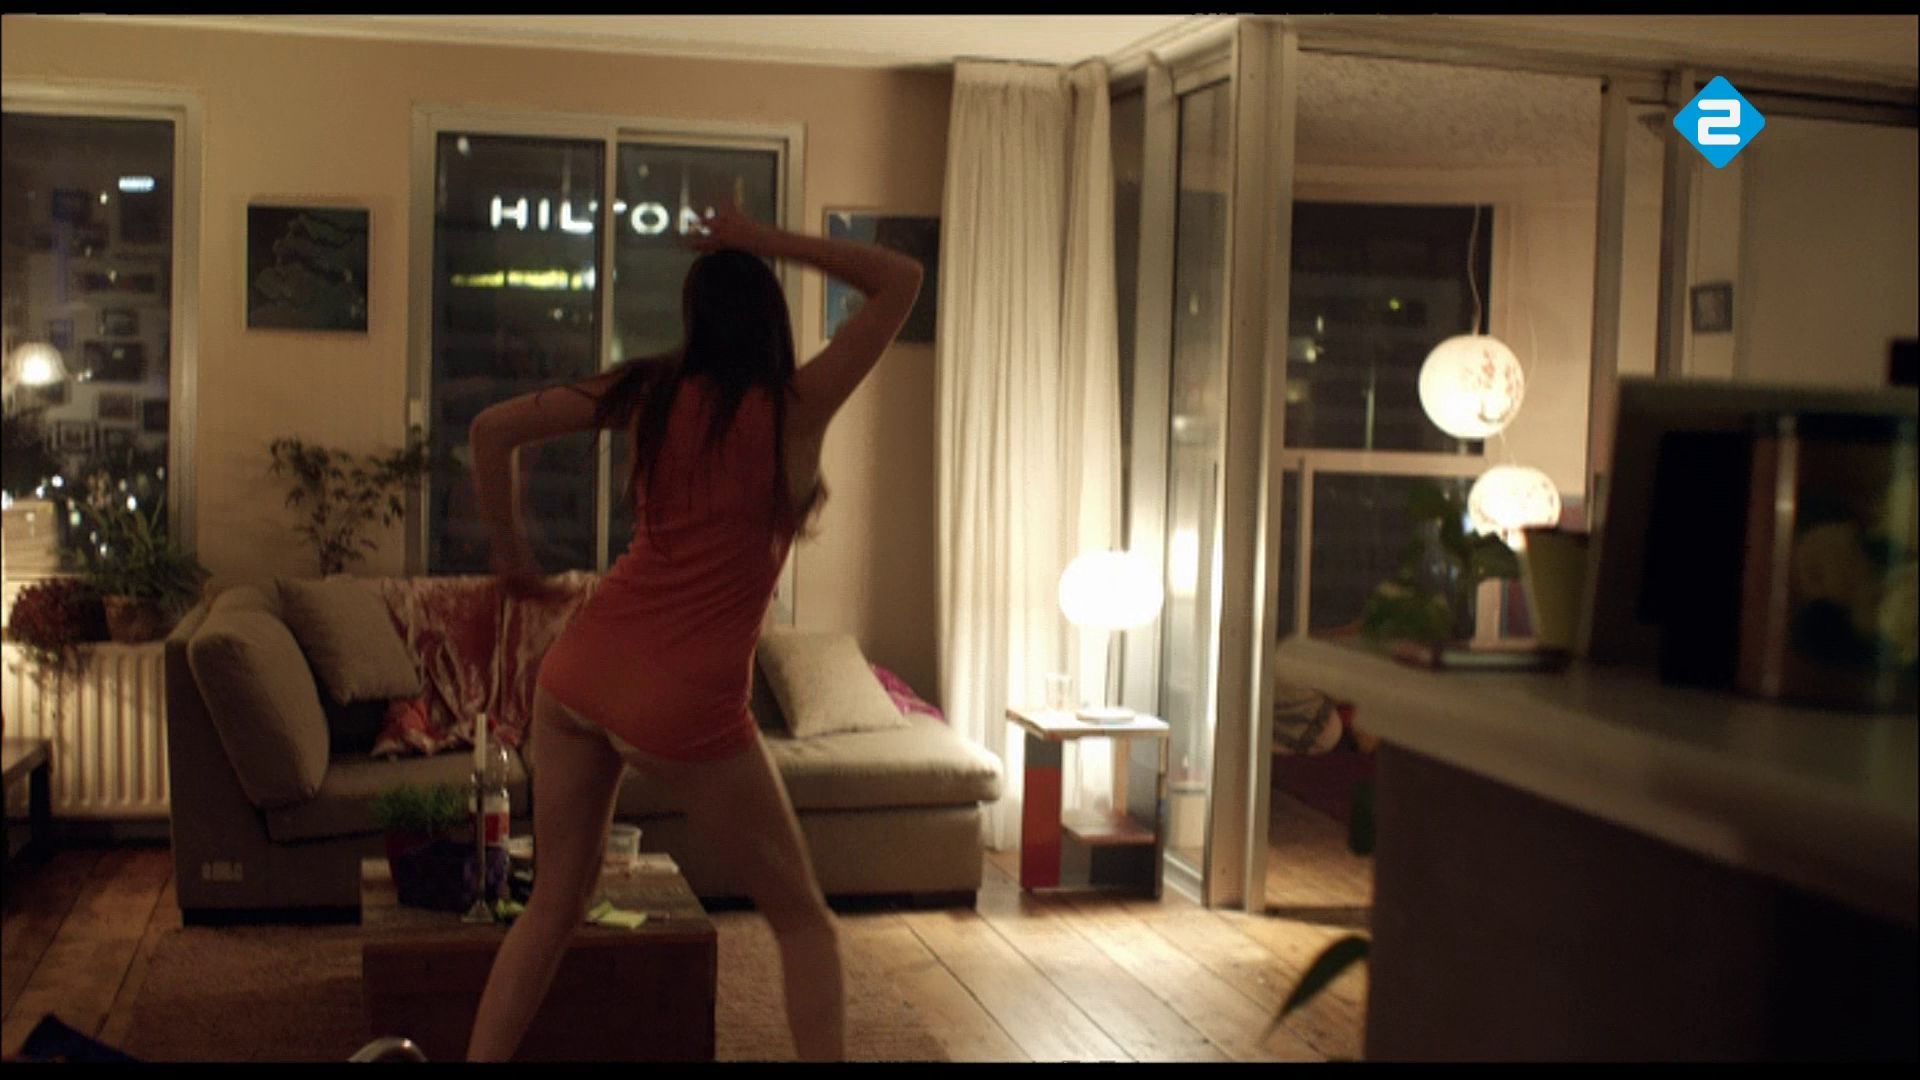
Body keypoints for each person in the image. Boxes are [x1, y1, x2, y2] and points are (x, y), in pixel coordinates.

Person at [463, 206, 924, 1062]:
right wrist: (768, 239)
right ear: (771, 322)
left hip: (579, 673)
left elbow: (491, 431)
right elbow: (901, 280)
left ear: (694, 319)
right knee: (805, 923)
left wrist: (511, 557)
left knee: (552, 907)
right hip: (685, 702)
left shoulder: (650, 392)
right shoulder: (795, 409)